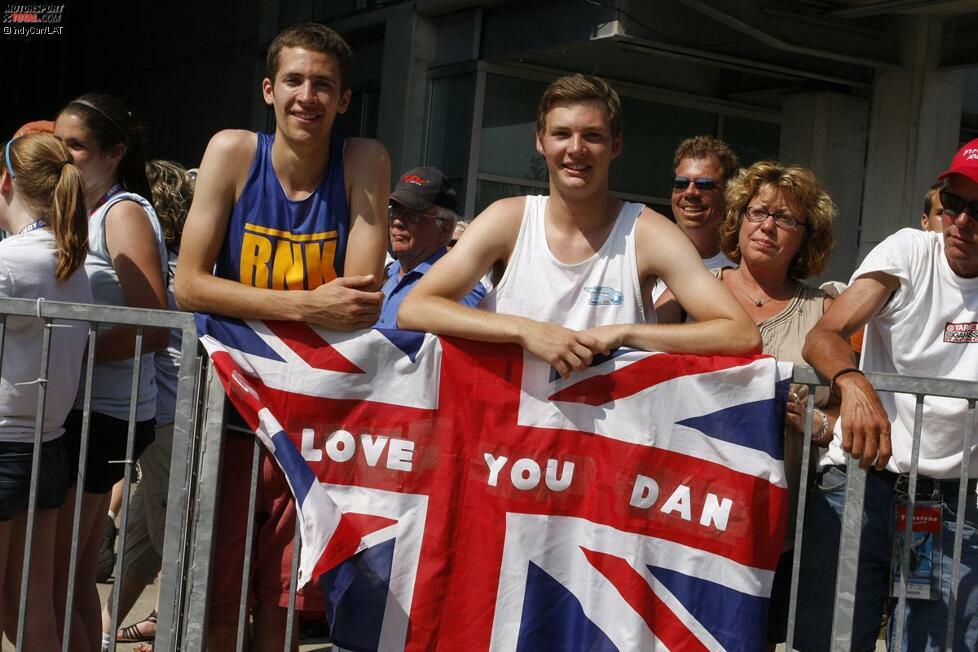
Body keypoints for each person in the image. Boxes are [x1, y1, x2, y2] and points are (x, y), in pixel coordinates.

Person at [173, 22, 389, 649]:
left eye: (324, 85)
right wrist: (305, 303)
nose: (308, 96)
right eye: (294, 80)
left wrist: (262, 306)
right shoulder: (234, 151)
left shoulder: (363, 160)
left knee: (284, 603)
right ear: (269, 89)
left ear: (344, 100)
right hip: (230, 409)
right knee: (215, 595)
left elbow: (360, 299)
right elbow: (188, 285)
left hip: (316, 419)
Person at [398, 74, 760, 367]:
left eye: (592, 136)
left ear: (615, 145)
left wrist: (625, 334)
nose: (575, 149)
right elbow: (415, 308)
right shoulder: (507, 219)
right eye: (561, 134)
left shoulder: (648, 233)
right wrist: (526, 332)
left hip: (607, 445)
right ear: (541, 142)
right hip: (508, 447)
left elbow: (740, 335)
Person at [797, 140, 978, 650]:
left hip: (956, 502)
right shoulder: (909, 249)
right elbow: (823, 336)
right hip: (862, 482)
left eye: (977, 210)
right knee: (826, 642)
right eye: (953, 204)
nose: (960, 222)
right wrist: (853, 384)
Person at [662, 160, 837, 646]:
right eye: (759, 212)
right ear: (737, 219)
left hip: (778, 532)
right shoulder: (687, 296)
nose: (768, 226)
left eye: (786, 219)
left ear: (807, 239)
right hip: (686, 515)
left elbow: (846, 412)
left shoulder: (825, 313)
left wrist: (815, 422)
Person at [52, 93, 170, 652]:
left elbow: (154, 328)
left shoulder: (121, 213)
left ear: (115, 152)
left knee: (58, 569)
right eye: (58, 142)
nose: (63, 155)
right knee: (62, 570)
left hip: (105, 415)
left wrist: (63, 353)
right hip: (77, 409)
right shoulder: (81, 211)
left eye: (75, 145)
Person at [0, 134, 92, 649]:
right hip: (47, 443)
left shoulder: (10, 261)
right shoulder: (69, 258)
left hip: (7, 441)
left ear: (6, 181)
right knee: (31, 599)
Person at [101, 160, 195, 650]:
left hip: (169, 414)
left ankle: (178, 635)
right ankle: (104, 632)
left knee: (171, 535)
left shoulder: (159, 267)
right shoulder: (177, 264)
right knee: (144, 529)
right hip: (160, 412)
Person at [377, 167, 485, 328]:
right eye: (395, 212)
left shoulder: (460, 286)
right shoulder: (386, 274)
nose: (397, 222)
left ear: (445, 227)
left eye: (412, 214)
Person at [652, 135, 740, 303]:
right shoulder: (644, 251)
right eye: (680, 183)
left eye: (704, 184)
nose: (690, 192)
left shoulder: (743, 268)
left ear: (730, 193)